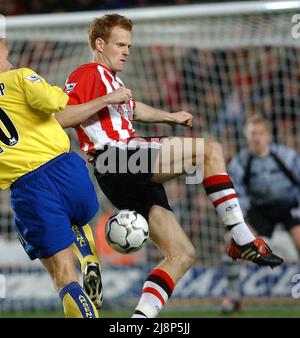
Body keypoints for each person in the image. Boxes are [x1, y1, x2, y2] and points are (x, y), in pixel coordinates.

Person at [56, 14, 283, 319]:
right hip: (116, 158)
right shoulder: (87, 73)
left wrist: (170, 116)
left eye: (129, 46)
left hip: (124, 172)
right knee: (209, 150)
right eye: (120, 44)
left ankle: (140, 321)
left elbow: (133, 109)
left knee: (182, 254)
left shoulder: (112, 79)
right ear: (99, 44)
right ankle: (241, 237)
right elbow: (62, 116)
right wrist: (108, 98)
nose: (126, 51)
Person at [0, 39, 115, 317]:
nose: (10, 56)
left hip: (29, 188)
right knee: (75, 217)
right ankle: (88, 256)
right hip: (67, 169)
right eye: (5, 52)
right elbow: (56, 102)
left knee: (63, 276)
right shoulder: (20, 76)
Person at [221, 114, 300, 314]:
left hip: (288, 205)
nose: (257, 138)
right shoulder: (241, 162)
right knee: (233, 240)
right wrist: (243, 223)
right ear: (246, 137)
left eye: (260, 133)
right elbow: (237, 194)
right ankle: (233, 297)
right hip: (258, 209)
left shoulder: (286, 156)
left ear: (268, 136)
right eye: (252, 133)